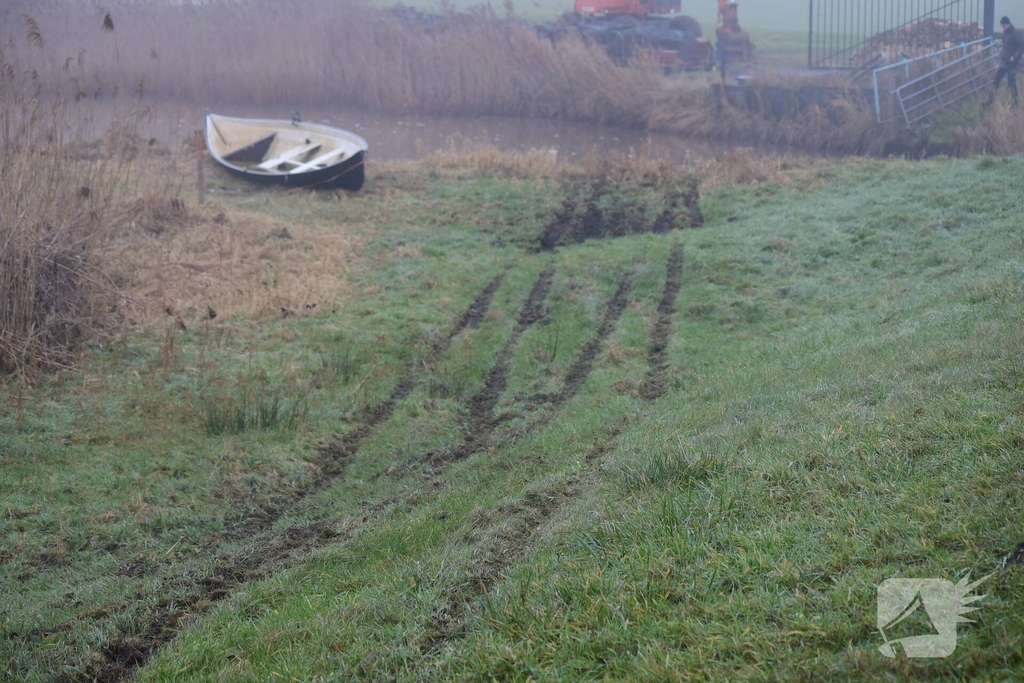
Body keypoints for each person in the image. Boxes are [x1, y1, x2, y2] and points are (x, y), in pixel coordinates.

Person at [989, 16, 1024, 107]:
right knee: (996, 79)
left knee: (1011, 82)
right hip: (1004, 61)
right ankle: (990, 100)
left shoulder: (1016, 33)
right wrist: (1000, 56)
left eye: (1003, 25)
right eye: (1002, 26)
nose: (1003, 27)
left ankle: (1016, 103)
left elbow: (1021, 47)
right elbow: (1005, 47)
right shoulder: (1004, 34)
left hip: (1012, 62)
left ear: (1007, 24)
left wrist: (1014, 57)